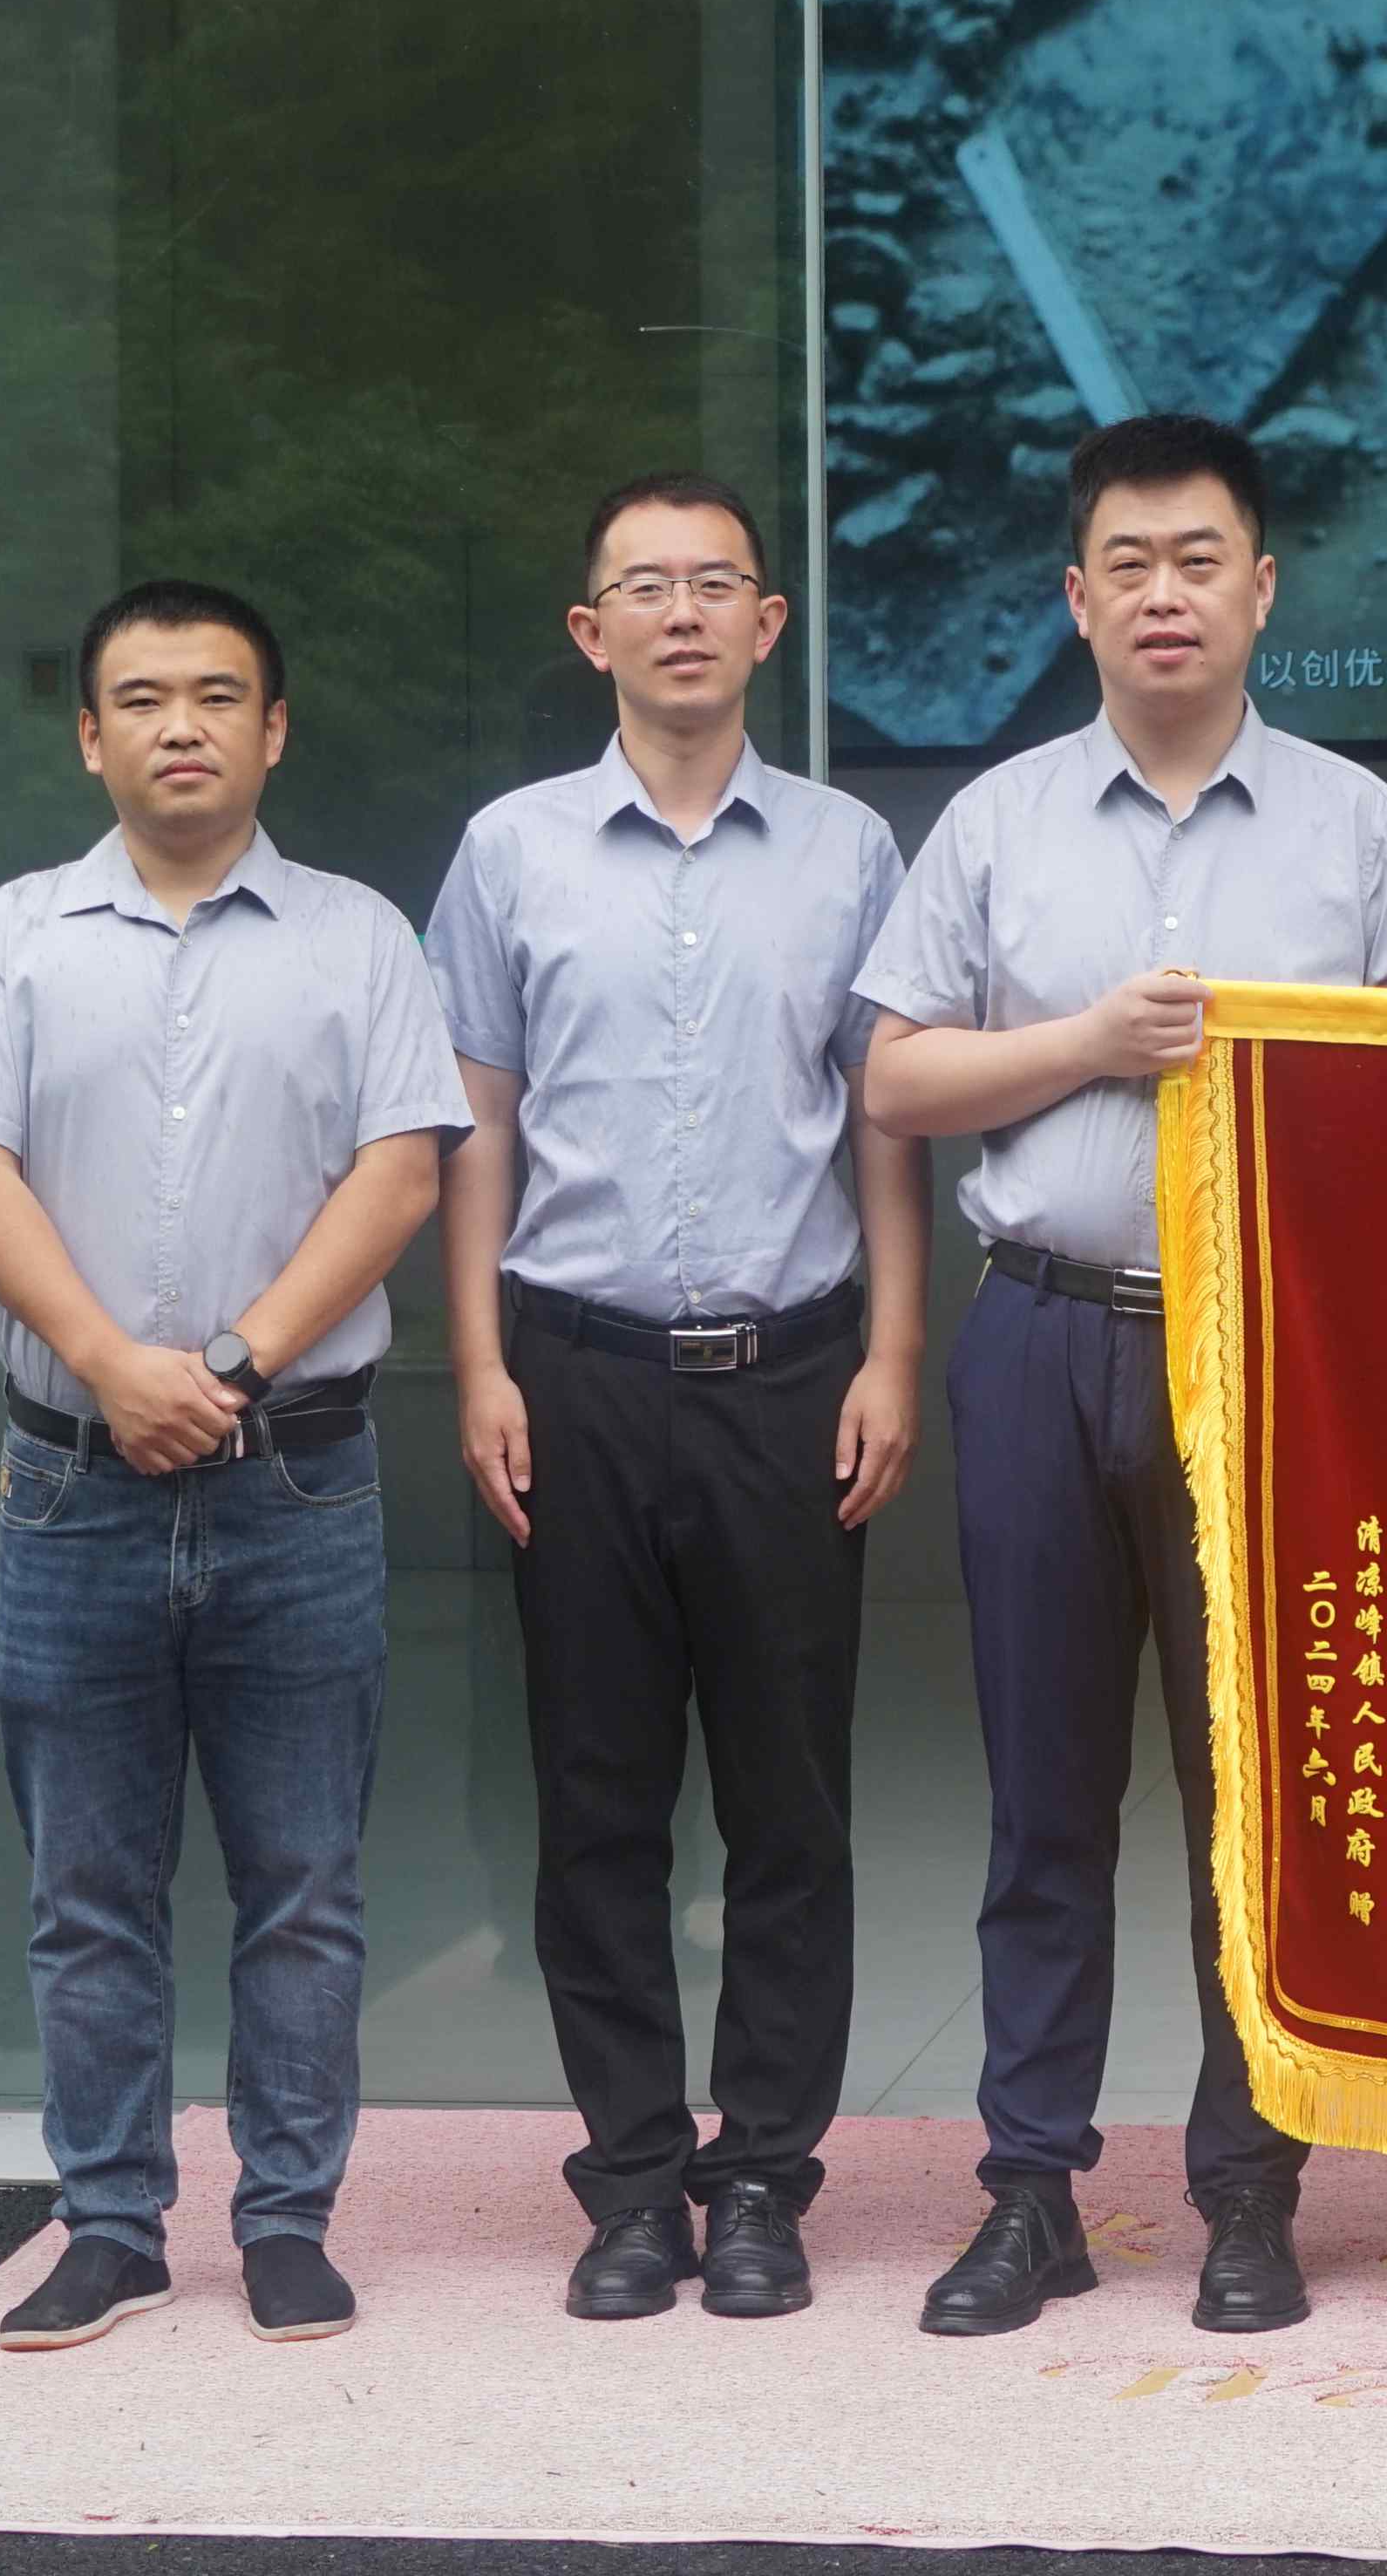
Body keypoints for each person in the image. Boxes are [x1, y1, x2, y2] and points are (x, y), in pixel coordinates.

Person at [855, 411, 1387, 2343]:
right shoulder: (997, 819)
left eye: (1201, 559)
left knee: (1252, 1799)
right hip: (1040, 1334)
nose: (1166, 594)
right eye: (1129, 563)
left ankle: (1249, 2193)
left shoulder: (1356, 824)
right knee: (1044, 1796)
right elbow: (895, 1076)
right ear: (1077, 596)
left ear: (1263, 588)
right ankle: (1030, 2192)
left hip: (1269, 1356)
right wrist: (1087, 1042)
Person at [0, 581, 466, 2351]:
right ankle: (109, 2224)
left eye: (218, 695)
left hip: (293, 1477)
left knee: (303, 1882)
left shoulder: (361, 938)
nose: (181, 726)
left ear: (273, 730)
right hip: (72, 1483)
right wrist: (108, 1363)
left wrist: (223, 1368)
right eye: (141, 698)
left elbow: (401, 1171)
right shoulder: (14, 938)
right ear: (90, 737)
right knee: (88, 1891)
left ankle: (287, 2219)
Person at [429, 474, 928, 2327]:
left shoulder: (850, 851)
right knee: (598, 1797)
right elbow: (474, 1120)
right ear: (592, 631)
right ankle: (633, 2180)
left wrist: (895, 1351)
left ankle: (766, 2178)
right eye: (645, 585)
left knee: (791, 1803)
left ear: (769, 622)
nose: (685, 612)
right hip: (575, 1371)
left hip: (792, 1375)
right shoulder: (510, 853)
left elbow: (886, 1119)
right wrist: (480, 1361)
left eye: (718, 583)